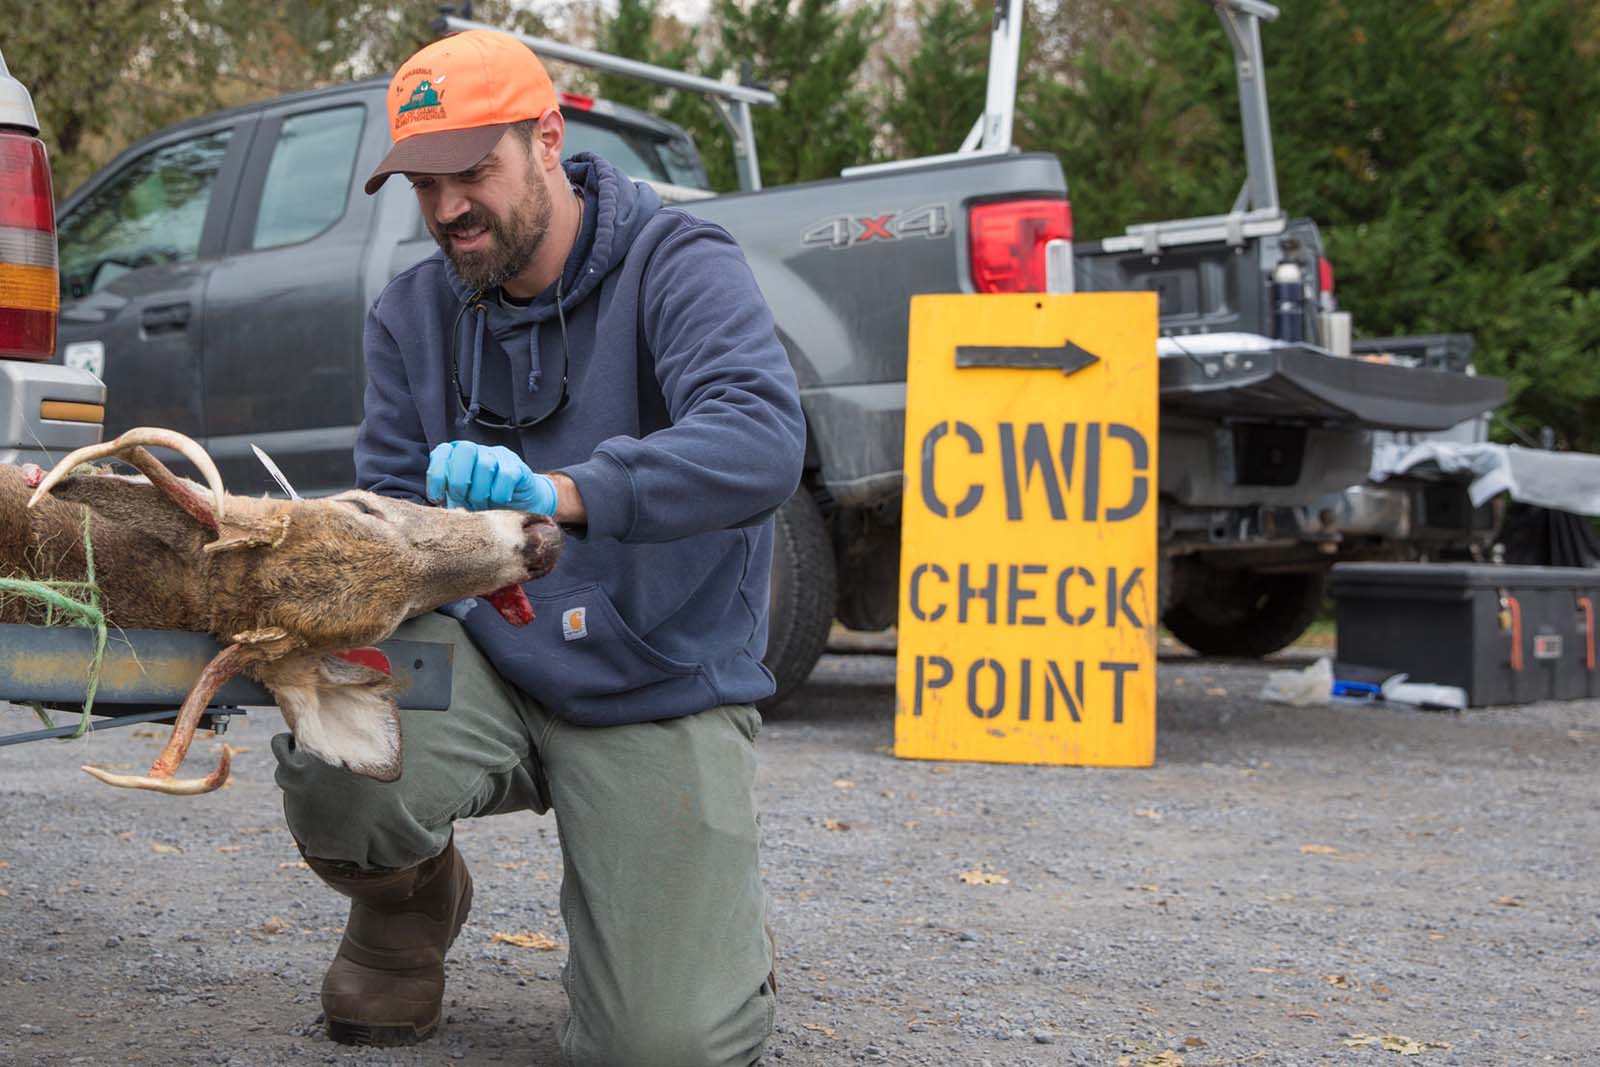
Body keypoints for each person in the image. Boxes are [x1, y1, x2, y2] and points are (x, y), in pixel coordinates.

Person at [270, 28, 805, 1066]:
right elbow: (381, 510)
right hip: (489, 659)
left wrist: (564, 492)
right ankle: (405, 915)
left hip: (656, 671)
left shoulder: (676, 261)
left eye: (474, 170)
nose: (448, 208)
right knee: (328, 731)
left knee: (665, 1043)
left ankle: (701, 931)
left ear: (548, 137)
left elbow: (760, 437)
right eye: (423, 183)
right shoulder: (411, 310)